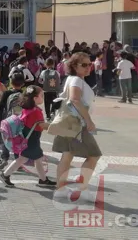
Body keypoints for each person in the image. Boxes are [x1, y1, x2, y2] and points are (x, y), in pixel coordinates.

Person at [53, 52, 101, 201]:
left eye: (90, 64)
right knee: (93, 155)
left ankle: (61, 189)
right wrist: (89, 121)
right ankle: (83, 189)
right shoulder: (77, 81)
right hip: (77, 123)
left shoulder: (72, 79)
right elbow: (75, 99)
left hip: (69, 123)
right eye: (84, 65)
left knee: (67, 154)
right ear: (74, 66)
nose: (88, 67)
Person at [0, 85, 57, 188]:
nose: (43, 97)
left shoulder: (27, 109)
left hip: (27, 137)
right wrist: (56, 126)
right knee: (28, 158)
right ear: (35, 98)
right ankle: (5, 175)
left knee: (30, 158)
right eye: (41, 95)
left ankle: (43, 179)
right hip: (32, 139)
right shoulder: (36, 111)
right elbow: (42, 125)